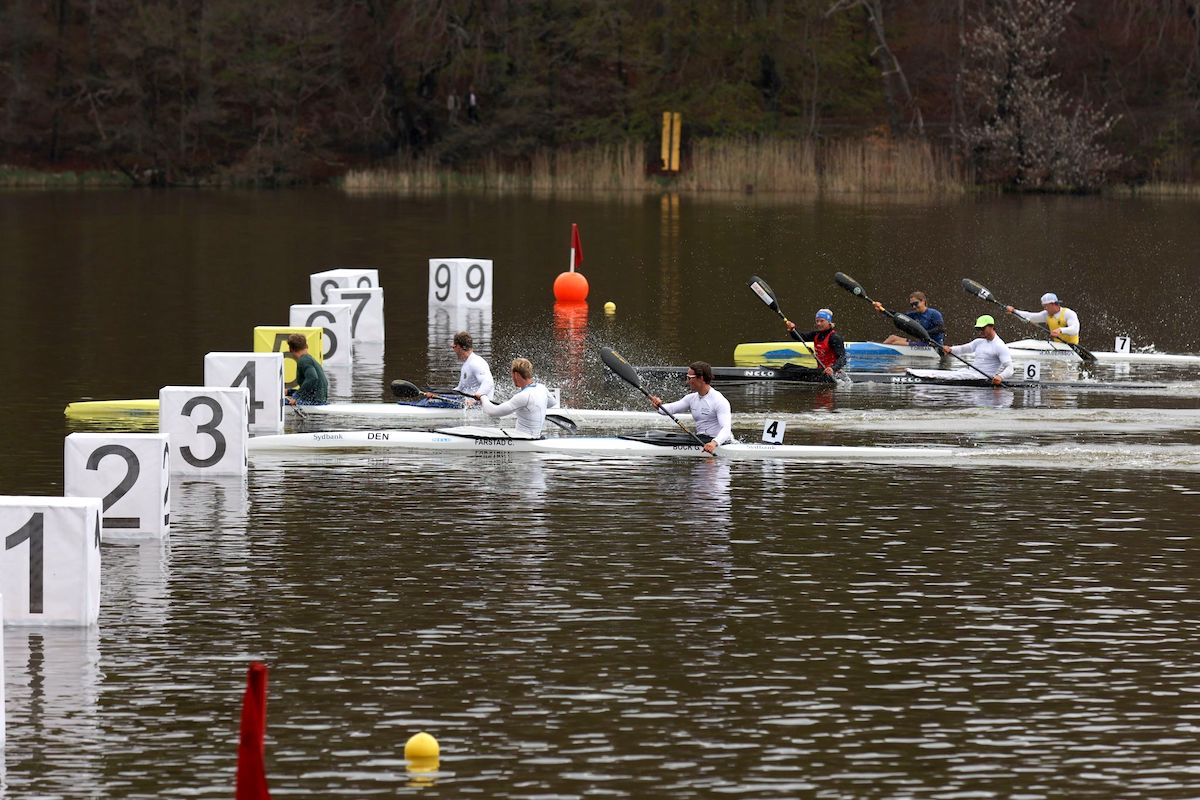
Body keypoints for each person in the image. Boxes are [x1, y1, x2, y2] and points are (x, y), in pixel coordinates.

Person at [648, 361, 733, 454]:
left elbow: (726, 429)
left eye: (689, 378)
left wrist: (714, 443)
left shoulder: (719, 401)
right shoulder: (691, 398)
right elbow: (669, 409)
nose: (687, 381)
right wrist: (658, 405)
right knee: (661, 435)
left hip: (718, 442)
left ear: (701, 378)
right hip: (701, 439)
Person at [906, 315, 1013, 385]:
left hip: (982, 378)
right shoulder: (979, 342)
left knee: (951, 375)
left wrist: (1000, 377)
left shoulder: (1000, 346)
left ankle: (917, 375)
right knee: (954, 373)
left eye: (982, 328)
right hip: (970, 374)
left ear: (992, 327)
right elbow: (962, 349)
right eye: (978, 329)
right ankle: (917, 373)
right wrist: (950, 349)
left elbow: (1010, 368)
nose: (980, 331)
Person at [475, 358, 559, 437]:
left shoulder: (523, 396)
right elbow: (552, 403)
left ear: (516, 374)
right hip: (535, 436)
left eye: (511, 374)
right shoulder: (542, 388)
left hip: (524, 439)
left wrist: (483, 396)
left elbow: (492, 412)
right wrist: (530, 409)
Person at [423, 330, 494, 407]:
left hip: (478, 406)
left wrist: (474, 399)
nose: (453, 350)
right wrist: (438, 395)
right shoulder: (466, 364)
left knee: (430, 404)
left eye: (454, 347)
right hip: (466, 403)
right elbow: (460, 389)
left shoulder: (476, 362)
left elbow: (488, 382)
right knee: (431, 400)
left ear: (459, 347)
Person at [783, 308, 847, 378]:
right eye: (817, 321)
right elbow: (799, 337)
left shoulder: (835, 338)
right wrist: (792, 330)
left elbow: (842, 358)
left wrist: (832, 368)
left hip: (831, 374)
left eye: (822, 321)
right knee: (788, 366)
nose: (818, 323)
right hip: (820, 371)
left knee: (790, 370)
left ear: (829, 322)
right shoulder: (816, 334)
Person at [872, 291, 944, 346]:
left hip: (933, 345)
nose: (914, 307)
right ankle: (876, 350)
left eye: (915, 303)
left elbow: (940, 329)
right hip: (922, 342)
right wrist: (881, 309)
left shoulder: (934, 313)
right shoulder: (913, 315)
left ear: (923, 301)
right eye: (912, 305)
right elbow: (896, 315)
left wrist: (924, 334)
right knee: (892, 338)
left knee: (897, 343)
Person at [1005, 292, 1081, 344]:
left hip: (1072, 347)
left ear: (1053, 304)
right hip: (1058, 346)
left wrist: (1060, 330)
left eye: (1046, 306)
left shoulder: (1068, 313)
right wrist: (1014, 311)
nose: (1045, 309)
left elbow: (1075, 330)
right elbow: (1030, 316)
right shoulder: (1046, 314)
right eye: (1044, 306)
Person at [285, 333, 328, 405]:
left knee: (279, 402)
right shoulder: (309, 359)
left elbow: (312, 378)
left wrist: (296, 397)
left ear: (290, 349)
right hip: (319, 400)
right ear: (306, 346)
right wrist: (289, 392)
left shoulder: (304, 361)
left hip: (314, 402)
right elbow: (311, 388)